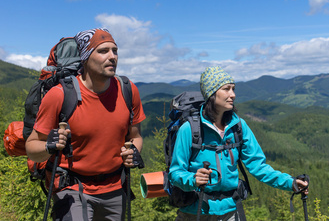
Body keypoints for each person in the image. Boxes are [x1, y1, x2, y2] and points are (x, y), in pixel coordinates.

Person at [26, 28, 146, 221]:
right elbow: (31, 148)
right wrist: (50, 146)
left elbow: (135, 136)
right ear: (85, 57)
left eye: (115, 50)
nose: (112, 56)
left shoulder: (128, 90)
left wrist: (133, 152)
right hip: (73, 189)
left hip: (115, 187)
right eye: (103, 51)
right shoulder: (60, 95)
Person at [169, 66, 309, 220]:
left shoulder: (239, 126)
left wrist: (290, 183)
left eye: (233, 89)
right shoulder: (189, 129)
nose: (233, 95)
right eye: (226, 89)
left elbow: (258, 166)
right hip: (196, 211)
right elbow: (175, 173)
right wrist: (192, 180)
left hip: (231, 211)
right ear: (211, 94)